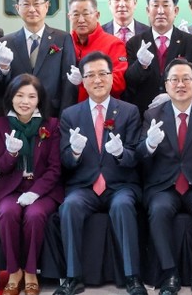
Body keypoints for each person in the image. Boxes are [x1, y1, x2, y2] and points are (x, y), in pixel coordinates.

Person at [136, 59, 192, 295]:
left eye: (186, 79)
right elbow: (140, 155)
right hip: (163, 186)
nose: (180, 84)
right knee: (158, 210)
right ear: (166, 85)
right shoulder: (152, 114)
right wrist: (149, 145)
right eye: (174, 79)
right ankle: (169, 274)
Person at [57, 51, 145, 295]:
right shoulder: (70, 114)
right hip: (84, 186)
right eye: (90, 75)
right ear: (83, 81)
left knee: (123, 206)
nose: (97, 80)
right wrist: (75, 151)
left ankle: (132, 277)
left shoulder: (128, 111)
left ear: (112, 76)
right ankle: (72, 277)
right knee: (70, 206)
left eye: (103, 74)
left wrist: (120, 153)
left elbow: (135, 156)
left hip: (120, 184)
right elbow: (65, 161)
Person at [0, 73, 63, 295]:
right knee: (7, 213)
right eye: (20, 95)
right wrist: (11, 153)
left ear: (39, 99)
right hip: (11, 188)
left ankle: (31, 272)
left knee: (35, 215)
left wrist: (35, 192)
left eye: (31, 96)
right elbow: (1, 167)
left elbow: (54, 168)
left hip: (43, 189)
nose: (25, 101)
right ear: (11, 97)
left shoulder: (51, 125)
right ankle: (14, 272)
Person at [124, 0, 192, 115]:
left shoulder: (191, 43)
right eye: (155, 5)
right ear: (147, 10)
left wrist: (173, 95)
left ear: (175, 10)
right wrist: (141, 65)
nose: (160, 11)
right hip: (144, 114)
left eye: (165, 5)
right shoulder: (135, 43)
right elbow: (129, 83)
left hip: (181, 113)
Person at [0, 0, 77, 117]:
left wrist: (65, 116)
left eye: (36, 4)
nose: (32, 9)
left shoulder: (63, 38)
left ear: (46, 6)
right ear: (17, 8)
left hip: (52, 113)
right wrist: (3, 67)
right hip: (17, 115)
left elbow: (68, 82)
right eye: (26, 4)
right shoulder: (6, 42)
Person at [66, 0, 128, 102]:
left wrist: (85, 79)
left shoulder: (113, 44)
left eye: (86, 14)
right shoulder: (65, 42)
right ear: (69, 17)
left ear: (97, 15)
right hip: (67, 108)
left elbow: (119, 83)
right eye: (75, 14)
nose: (81, 20)